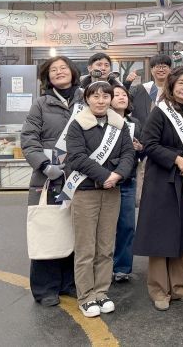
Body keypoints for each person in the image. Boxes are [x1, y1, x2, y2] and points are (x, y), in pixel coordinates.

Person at [133, 67, 183, 311]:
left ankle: (180, 287)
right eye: (180, 83)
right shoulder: (160, 111)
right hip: (162, 181)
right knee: (160, 235)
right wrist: (177, 160)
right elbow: (149, 144)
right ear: (171, 85)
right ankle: (159, 290)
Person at [65, 81, 136, 318]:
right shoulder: (77, 124)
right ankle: (86, 296)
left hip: (112, 190)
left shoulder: (119, 124)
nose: (101, 100)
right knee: (85, 248)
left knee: (106, 247)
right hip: (86, 191)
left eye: (105, 96)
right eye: (95, 96)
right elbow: (77, 157)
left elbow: (128, 153)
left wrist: (118, 175)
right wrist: (105, 176)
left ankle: (101, 292)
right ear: (87, 99)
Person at [21, 56, 82, 307]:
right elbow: (28, 139)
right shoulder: (40, 104)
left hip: (80, 176)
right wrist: (44, 165)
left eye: (63, 68)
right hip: (49, 177)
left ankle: (70, 283)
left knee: (75, 229)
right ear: (47, 77)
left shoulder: (85, 99)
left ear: (73, 72)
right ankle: (46, 288)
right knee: (48, 229)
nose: (59, 72)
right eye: (53, 70)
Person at [109, 84, 144, 283]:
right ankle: (101, 267)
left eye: (124, 94)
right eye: (116, 94)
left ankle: (122, 267)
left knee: (127, 226)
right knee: (104, 228)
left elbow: (144, 150)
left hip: (127, 180)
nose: (122, 97)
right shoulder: (101, 120)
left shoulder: (134, 123)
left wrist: (140, 148)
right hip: (105, 179)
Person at [127, 54, 172, 129]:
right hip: (143, 133)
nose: (161, 70)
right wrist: (127, 83)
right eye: (157, 67)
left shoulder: (175, 91)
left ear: (170, 70)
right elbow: (124, 101)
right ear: (151, 70)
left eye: (164, 66)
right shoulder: (140, 89)